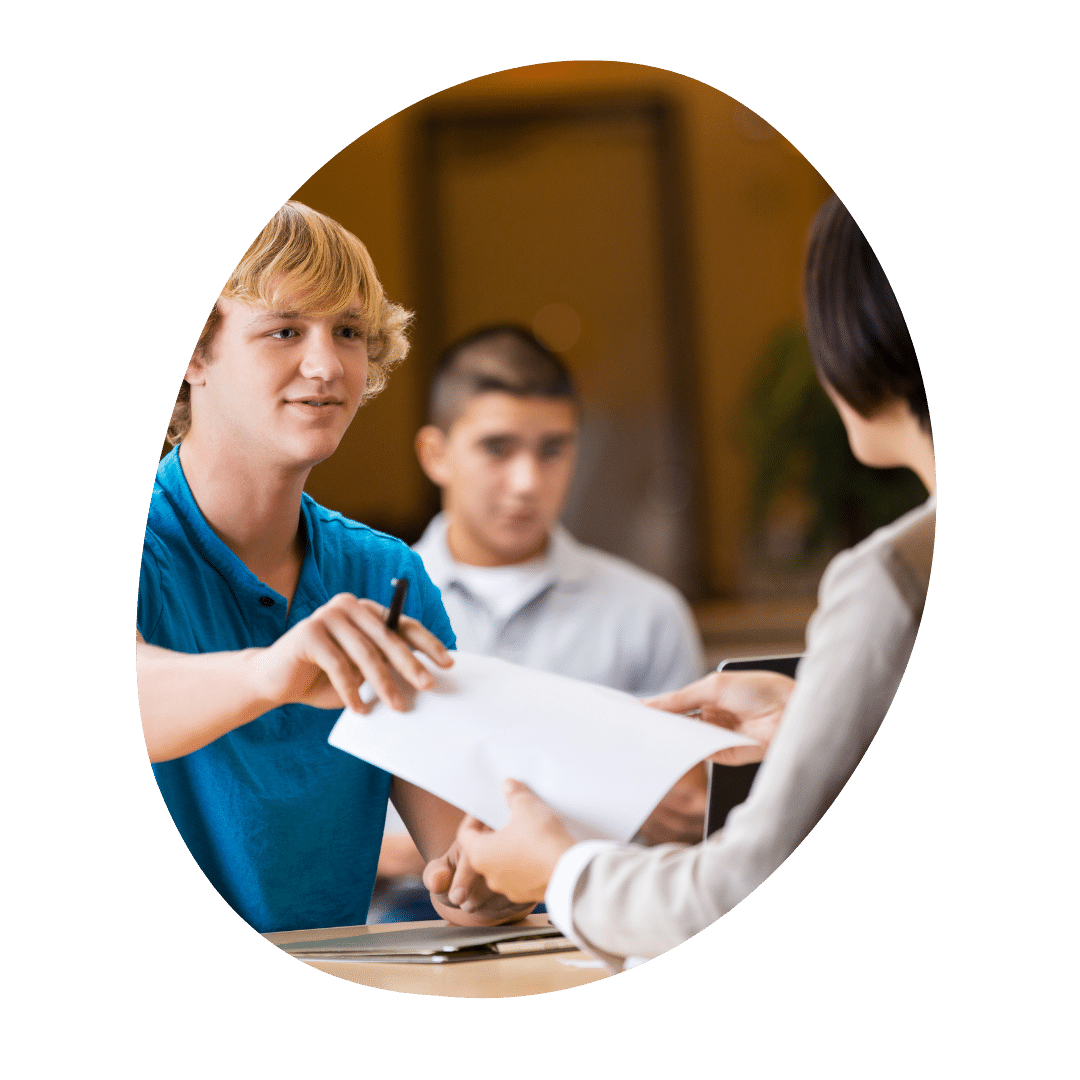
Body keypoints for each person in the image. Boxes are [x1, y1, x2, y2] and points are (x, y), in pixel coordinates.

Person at [455, 195, 937, 969]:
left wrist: (559, 869)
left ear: (860, 335)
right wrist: (814, 712)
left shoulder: (894, 576)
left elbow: (740, 889)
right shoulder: (381, 587)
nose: (525, 480)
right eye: (496, 448)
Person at [136, 201, 529, 934]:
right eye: (285, 330)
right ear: (192, 354)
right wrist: (272, 673)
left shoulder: (385, 574)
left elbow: (465, 875)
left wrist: (502, 875)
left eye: (347, 332)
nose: (326, 366)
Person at [371, 327, 709, 917]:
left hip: (597, 916)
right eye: (498, 448)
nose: (527, 481)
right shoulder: (365, 608)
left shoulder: (648, 613)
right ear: (435, 454)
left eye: (553, 449)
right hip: (407, 919)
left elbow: (693, 822)